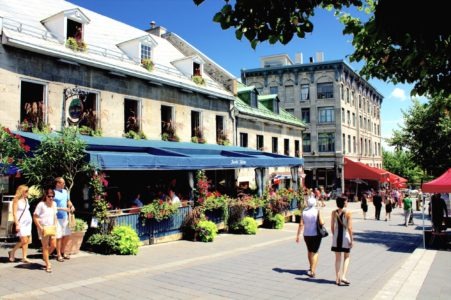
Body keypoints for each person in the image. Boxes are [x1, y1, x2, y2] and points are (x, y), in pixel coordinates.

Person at [296, 197, 324, 278]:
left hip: (306, 234)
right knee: (315, 251)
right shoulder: (317, 211)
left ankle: (311, 266)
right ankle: (312, 270)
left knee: (309, 250)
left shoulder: (304, 211)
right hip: (315, 234)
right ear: (315, 203)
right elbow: (322, 222)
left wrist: (298, 235)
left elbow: (301, 224)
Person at [33, 188, 57, 273]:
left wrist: (55, 226)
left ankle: (45, 256)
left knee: (54, 245)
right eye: (49, 196)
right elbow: (35, 217)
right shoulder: (41, 205)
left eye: (52, 196)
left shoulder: (54, 204)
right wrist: (40, 228)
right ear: (45, 196)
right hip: (43, 228)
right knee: (45, 246)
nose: (51, 198)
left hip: (52, 227)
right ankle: (48, 263)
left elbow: (55, 216)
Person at [331, 196, 353, 286]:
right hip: (345, 237)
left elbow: (332, 227)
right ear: (344, 203)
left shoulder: (333, 212)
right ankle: (343, 276)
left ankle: (337, 278)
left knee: (337, 258)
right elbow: (350, 228)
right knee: (347, 256)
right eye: (346, 201)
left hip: (336, 237)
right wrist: (352, 239)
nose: (347, 202)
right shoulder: (348, 213)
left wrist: (334, 235)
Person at [8, 185, 32, 263]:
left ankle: (24, 257)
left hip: (28, 222)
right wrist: (17, 224)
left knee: (27, 240)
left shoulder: (26, 200)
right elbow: (14, 213)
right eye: (26, 191)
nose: (27, 192)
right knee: (24, 240)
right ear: (21, 192)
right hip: (21, 222)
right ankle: (12, 252)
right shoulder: (16, 200)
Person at [54, 177, 75, 261]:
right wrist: (63, 209)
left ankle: (64, 252)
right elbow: (52, 206)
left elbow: (68, 201)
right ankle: (58, 254)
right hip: (57, 218)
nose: (64, 184)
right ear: (57, 183)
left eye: (64, 183)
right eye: (62, 183)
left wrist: (71, 205)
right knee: (59, 237)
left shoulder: (65, 191)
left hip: (65, 217)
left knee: (66, 235)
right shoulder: (53, 193)